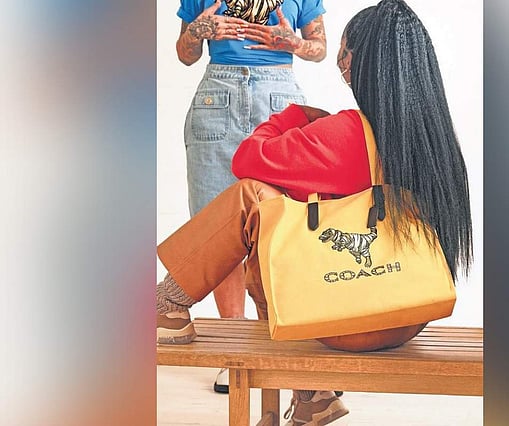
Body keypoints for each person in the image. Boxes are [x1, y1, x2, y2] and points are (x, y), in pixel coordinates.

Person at [157, 0, 473, 423]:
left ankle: (167, 304)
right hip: (408, 315)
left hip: (351, 325)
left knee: (252, 197)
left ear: (358, 63)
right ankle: (312, 398)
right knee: (289, 225)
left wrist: (292, 116)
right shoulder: (434, 142)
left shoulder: (343, 133)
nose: (340, 65)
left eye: (344, 54)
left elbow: (246, 159)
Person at [174, 0, 326, 393]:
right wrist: (198, 31)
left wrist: (293, 43)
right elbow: (185, 54)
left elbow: (320, 48)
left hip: (279, 93)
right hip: (217, 94)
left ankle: (291, 342)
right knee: (219, 226)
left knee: (290, 226)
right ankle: (236, 348)